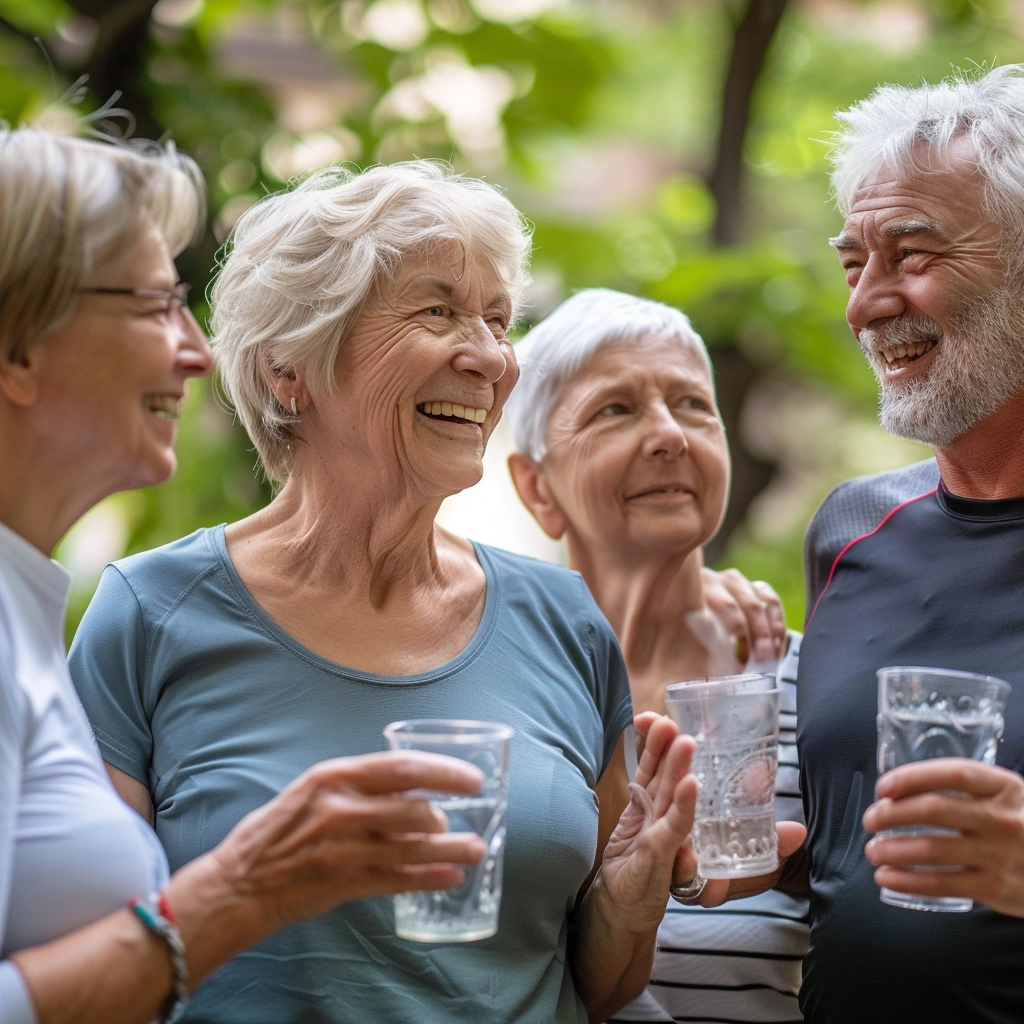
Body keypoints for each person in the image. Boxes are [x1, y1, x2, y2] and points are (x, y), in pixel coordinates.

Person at [69, 159, 703, 1024]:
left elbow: (595, 986)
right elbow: (88, 959)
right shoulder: (149, 614)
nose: (488, 357)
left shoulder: (565, 623)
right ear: (292, 366)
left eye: (496, 318)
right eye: (438, 310)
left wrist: (630, 899)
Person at [0, 129, 494, 1024]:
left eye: (501, 319)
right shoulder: (138, 610)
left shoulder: (20, 609)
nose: (195, 350)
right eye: (154, 305)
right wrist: (236, 895)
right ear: (20, 351)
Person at [505, 288, 808, 1024]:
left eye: (693, 405)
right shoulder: (492, 691)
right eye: (616, 409)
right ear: (538, 487)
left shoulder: (810, 685)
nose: (670, 433)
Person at [795, 64, 1024, 1022]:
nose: (864, 305)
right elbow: (853, 861)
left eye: (913, 254)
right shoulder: (849, 530)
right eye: (856, 263)